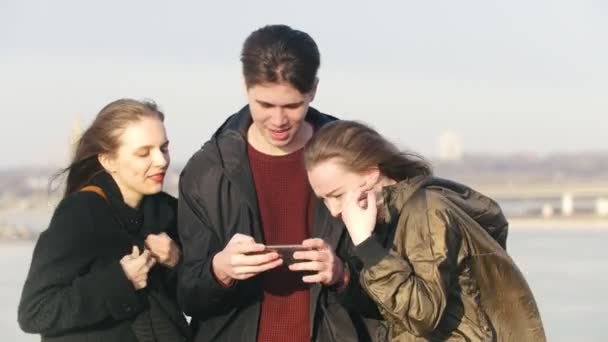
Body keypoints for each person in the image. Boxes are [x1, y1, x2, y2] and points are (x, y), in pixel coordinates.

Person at [177, 25, 383, 342]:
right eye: (265, 105)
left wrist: (341, 275)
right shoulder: (206, 171)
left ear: (313, 90)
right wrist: (219, 270)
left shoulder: (353, 161)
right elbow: (188, 296)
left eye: (291, 106)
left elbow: (395, 288)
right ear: (246, 87)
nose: (278, 120)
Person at [304, 120, 547, 342]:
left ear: (370, 174)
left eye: (337, 195)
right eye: (324, 199)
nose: (334, 210)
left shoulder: (425, 210)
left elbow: (423, 315)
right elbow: (396, 310)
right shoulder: (389, 218)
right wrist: (342, 277)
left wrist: (367, 246)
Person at [18, 99, 191, 341]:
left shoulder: (168, 210)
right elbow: (34, 312)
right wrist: (122, 280)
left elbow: (194, 301)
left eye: (164, 148)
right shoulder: (79, 214)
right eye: (144, 153)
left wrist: (177, 261)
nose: (161, 161)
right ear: (108, 160)